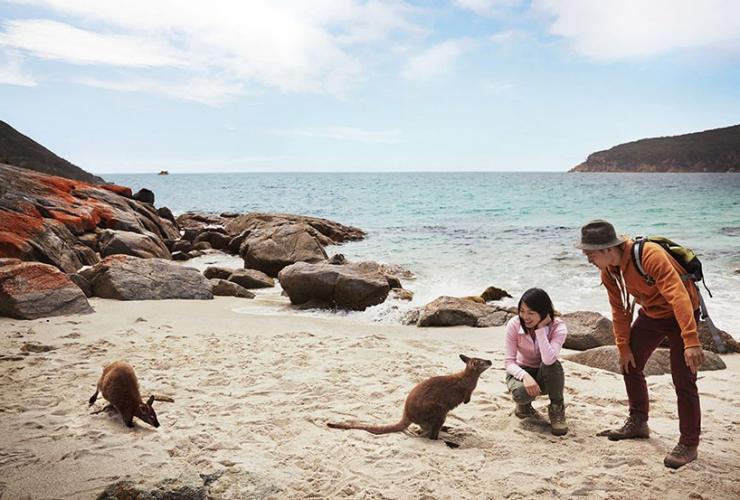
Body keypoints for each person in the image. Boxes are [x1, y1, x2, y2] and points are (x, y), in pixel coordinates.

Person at [576, 219, 704, 469]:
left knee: (683, 379)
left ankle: (689, 443)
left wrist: (691, 340)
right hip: (652, 315)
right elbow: (619, 309)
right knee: (629, 363)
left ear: (606, 249)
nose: (587, 259)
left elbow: (679, 297)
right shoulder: (609, 270)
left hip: (682, 315)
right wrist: (623, 346)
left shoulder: (649, 256)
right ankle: (638, 422)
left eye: (589, 254)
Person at [504, 287, 568, 436]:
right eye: (522, 311)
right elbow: (509, 363)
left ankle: (557, 409)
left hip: (545, 373)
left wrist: (540, 329)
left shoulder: (558, 327)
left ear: (544, 313)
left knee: (553, 364)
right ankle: (524, 406)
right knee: (521, 393)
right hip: (520, 372)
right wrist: (525, 377)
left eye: (531, 313)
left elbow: (548, 359)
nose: (525, 317)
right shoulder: (514, 324)